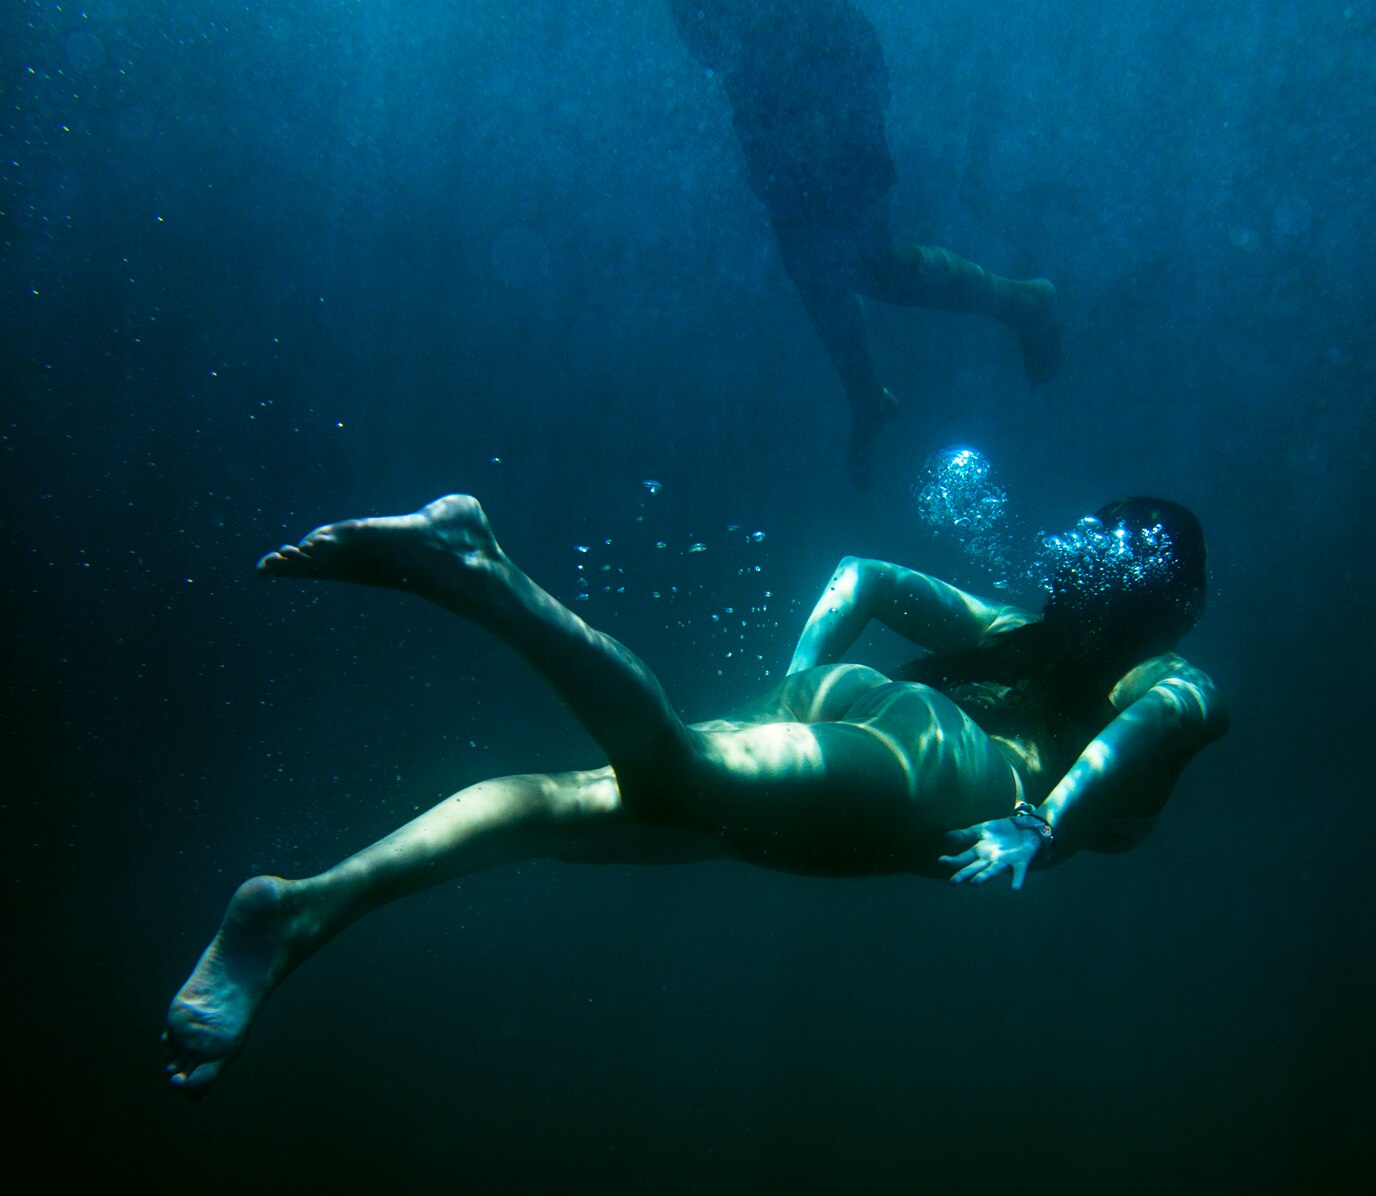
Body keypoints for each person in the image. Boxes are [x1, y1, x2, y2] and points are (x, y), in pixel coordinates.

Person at [163, 492, 1225, 1095]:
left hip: (852, 720)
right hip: (942, 770)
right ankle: (480, 573)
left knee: (567, 805)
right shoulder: (1160, 673)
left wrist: (802, 680)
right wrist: (1041, 816)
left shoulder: (1008, 632)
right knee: (667, 768)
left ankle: (301, 906)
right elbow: (1161, 718)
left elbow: (861, 570)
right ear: (1177, 605)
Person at [669, 0, 1063, 488]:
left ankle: (1017, 302)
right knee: (813, 263)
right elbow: (710, 42)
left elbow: (723, 36)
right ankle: (867, 396)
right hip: (783, 89)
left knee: (865, 264)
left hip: (822, 77)